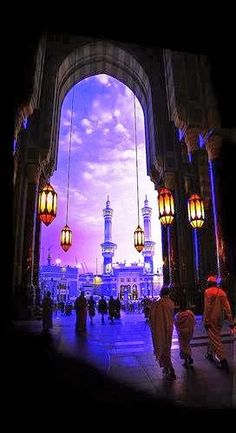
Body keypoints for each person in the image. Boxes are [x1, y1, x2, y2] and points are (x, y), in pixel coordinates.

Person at [203, 275, 235, 370]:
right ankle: (209, 353)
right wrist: (230, 320)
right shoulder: (221, 292)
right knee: (214, 336)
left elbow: (207, 308)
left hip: (211, 319)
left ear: (209, 283)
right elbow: (228, 307)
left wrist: (206, 320)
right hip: (220, 319)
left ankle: (223, 360)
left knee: (215, 338)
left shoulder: (207, 292)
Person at [149, 286, 176, 380]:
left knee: (162, 348)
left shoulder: (159, 303)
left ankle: (171, 370)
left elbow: (152, 313)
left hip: (160, 328)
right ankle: (166, 368)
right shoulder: (171, 303)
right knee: (167, 347)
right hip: (169, 328)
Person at [174, 298, 195, 367]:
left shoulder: (178, 315)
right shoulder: (190, 313)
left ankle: (186, 360)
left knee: (183, 346)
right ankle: (189, 358)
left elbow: (176, 324)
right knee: (187, 344)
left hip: (182, 333)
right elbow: (194, 322)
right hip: (189, 332)